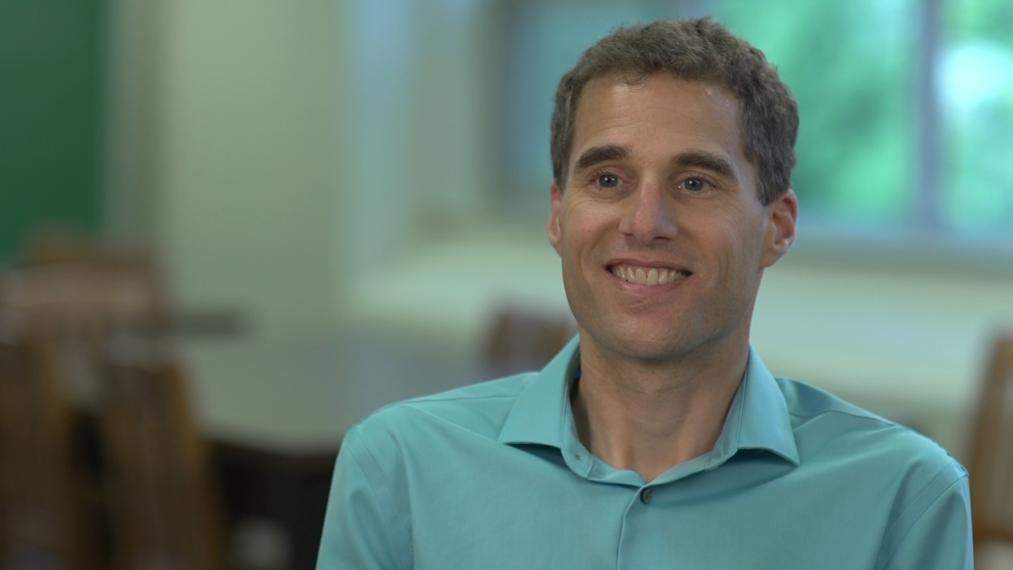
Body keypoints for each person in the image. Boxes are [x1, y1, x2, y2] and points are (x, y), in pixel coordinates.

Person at [317, 18, 972, 569]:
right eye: (607, 180)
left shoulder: (901, 497)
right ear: (557, 215)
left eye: (693, 183)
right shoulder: (396, 467)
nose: (644, 222)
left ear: (776, 227)